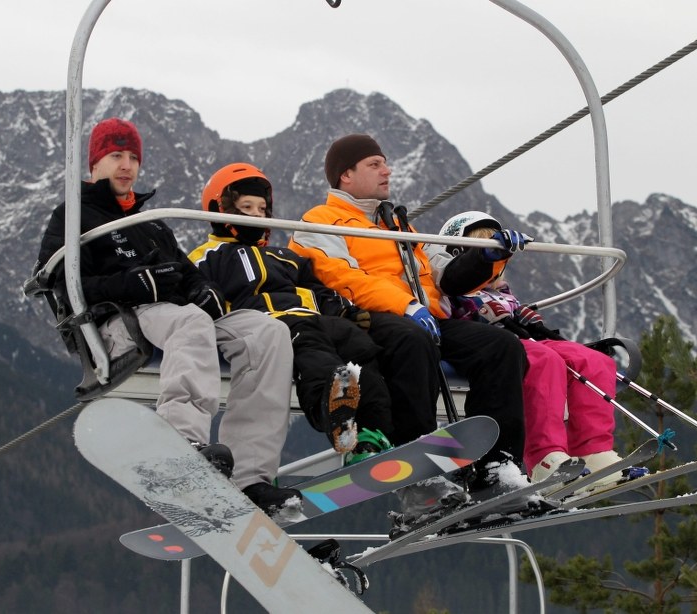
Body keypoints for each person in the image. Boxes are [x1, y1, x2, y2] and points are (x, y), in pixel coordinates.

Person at [33, 118, 302, 516]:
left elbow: (182, 270)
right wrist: (133, 283)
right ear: (95, 164)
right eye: (115, 156)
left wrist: (201, 288)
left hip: (173, 311)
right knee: (190, 322)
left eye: (132, 158)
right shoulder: (74, 216)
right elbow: (61, 282)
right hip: (120, 318)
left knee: (268, 333)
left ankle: (251, 476)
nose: (126, 166)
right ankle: (182, 442)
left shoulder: (150, 224)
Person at [288, 134, 529, 511]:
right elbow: (341, 277)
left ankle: (496, 468)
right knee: (411, 340)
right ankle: (417, 475)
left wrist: (489, 257)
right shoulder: (318, 223)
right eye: (374, 164)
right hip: (371, 317)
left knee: (501, 347)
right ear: (345, 176)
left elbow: (444, 274)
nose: (387, 170)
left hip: (423, 316)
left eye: (385, 163)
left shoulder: (399, 225)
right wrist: (405, 305)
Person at [190, 162, 394, 464]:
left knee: (360, 348)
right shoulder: (210, 256)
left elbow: (316, 289)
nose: (256, 215)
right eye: (246, 207)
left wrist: (342, 310)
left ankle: (372, 436)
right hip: (273, 323)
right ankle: (335, 418)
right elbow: (196, 287)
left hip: (316, 318)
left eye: (262, 209)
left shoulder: (285, 256)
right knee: (315, 357)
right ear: (219, 210)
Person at [438, 210, 623, 486]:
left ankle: (593, 450)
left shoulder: (502, 291)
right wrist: (482, 313)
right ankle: (544, 455)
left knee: (593, 361)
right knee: (545, 361)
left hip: (522, 339)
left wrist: (525, 318)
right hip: (488, 344)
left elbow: (516, 313)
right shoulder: (450, 286)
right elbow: (453, 313)